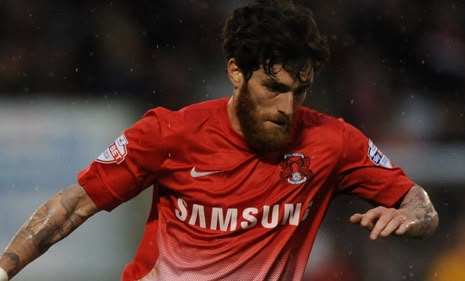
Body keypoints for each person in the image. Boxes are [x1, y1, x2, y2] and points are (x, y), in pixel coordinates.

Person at [0, 0, 439, 280]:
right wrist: (5, 268)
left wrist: (417, 217)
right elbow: (73, 204)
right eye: (273, 87)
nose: (288, 106)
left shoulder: (332, 141)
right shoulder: (168, 133)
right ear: (235, 72)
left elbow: (415, 201)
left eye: (299, 91)